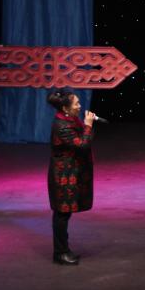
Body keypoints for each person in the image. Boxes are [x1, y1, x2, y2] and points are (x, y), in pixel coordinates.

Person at [47, 89, 98, 265]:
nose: (80, 106)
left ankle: (62, 250)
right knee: (62, 214)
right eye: (76, 103)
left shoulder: (70, 120)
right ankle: (60, 253)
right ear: (65, 108)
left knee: (64, 214)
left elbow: (84, 139)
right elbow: (83, 144)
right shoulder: (62, 126)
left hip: (70, 172)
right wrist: (88, 125)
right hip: (63, 175)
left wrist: (87, 125)